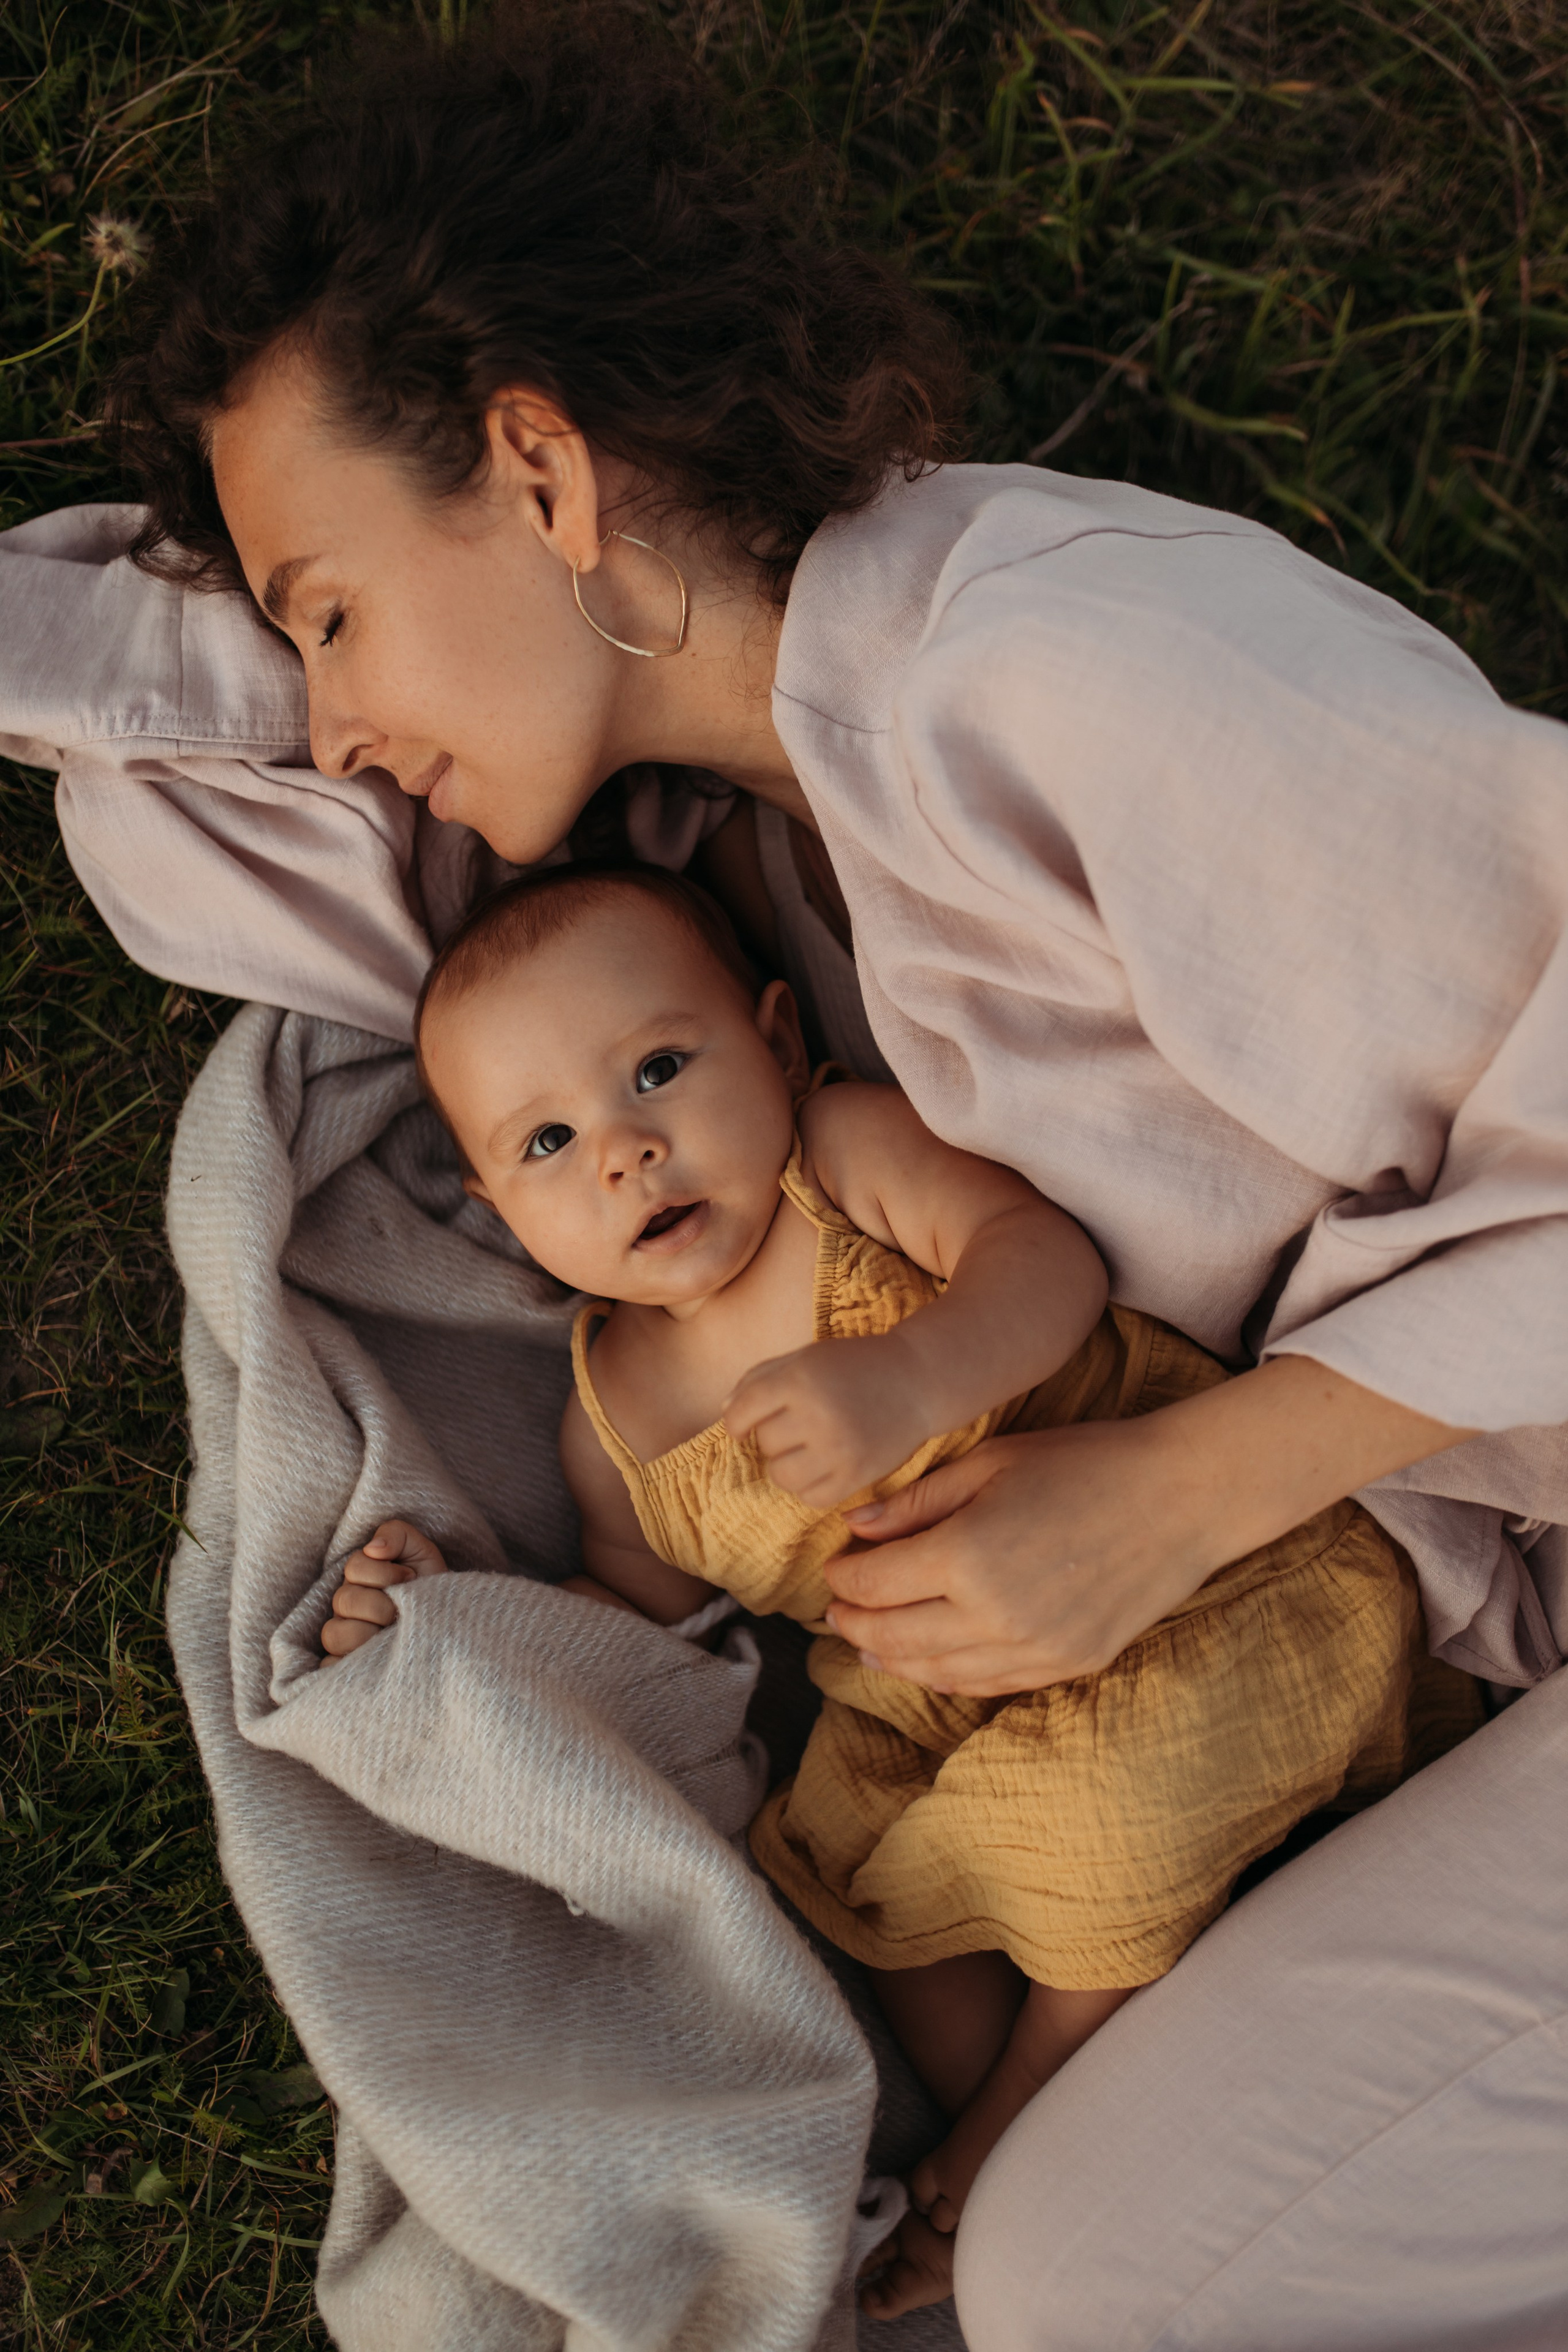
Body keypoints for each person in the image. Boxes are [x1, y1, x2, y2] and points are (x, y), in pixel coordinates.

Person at [2, 7, 1560, 2341]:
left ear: (537, 469)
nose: (331, 718)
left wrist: (1178, 1491)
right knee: (1061, 2277)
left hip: (1413, 1558)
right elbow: (215, 794)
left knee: (1079, 2292)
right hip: (1460, 1652)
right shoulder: (734, 871)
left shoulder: (1058, 674)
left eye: (327, 606)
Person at [318, 859, 1479, 2318]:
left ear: (780, 1045)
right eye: (547, 1141)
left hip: (1198, 1579)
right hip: (920, 1698)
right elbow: (642, 1621)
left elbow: (1035, 1260)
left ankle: (1031, 2102)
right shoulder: (609, 1416)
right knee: (854, 1870)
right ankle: (1008, 2092)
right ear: (496, 1210)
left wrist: (914, 1370)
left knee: (1101, 1812)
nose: (623, 1151)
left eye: (659, 1071)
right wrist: (460, 1613)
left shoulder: (841, 1166)